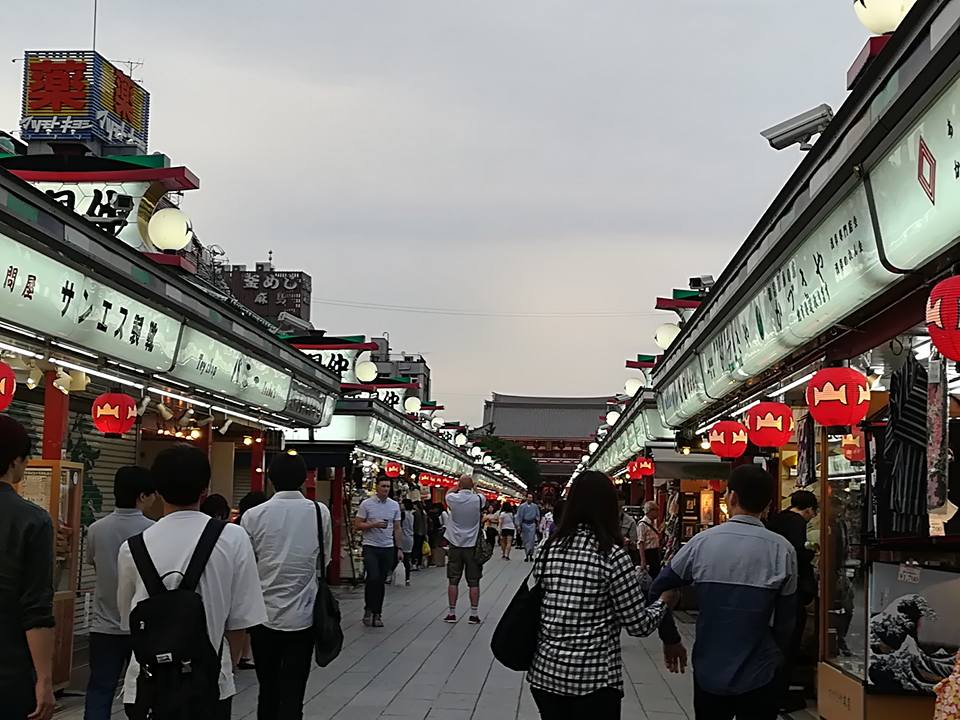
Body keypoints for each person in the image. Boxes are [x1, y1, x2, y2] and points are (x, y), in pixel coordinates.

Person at [117, 445, 267, 720]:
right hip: (209, 683)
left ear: (158, 491)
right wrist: (226, 669)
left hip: (146, 684)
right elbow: (241, 621)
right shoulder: (233, 538)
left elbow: (128, 618)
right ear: (204, 488)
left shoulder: (132, 548)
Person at [650, 464, 798, 720]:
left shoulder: (701, 543)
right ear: (769, 503)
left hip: (709, 666)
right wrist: (777, 657)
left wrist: (671, 638)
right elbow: (787, 620)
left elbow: (658, 587)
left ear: (731, 497)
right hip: (760, 670)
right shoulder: (782, 550)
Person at [528, 471, 678, 720]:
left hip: (546, 673)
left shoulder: (548, 548)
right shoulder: (611, 555)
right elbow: (637, 624)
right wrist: (663, 603)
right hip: (593, 679)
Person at [241, 454, 332, 720]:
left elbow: (248, 564)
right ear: (304, 479)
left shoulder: (253, 515)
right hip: (304, 614)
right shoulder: (319, 512)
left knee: (267, 686)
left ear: (270, 479)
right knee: (294, 688)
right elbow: (323, 561)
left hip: (262, 613)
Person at [84, 466, 156, 720]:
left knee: (100, 688)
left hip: (104, 625)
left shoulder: (95, 529)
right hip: (144, 626)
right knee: (145, 691)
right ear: (142, 496)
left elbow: (93, 561)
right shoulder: (154, 530)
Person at [0, 416, 55, 720]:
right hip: (8, 674)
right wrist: (45, 680)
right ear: (13, 461)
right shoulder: (31, 520)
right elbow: (36, 607)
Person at [767, 490, 818, 714]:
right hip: (792, 590)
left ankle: (772, 691)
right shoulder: (797, 523)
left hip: (772, 590)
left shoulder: (775, 519)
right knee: (789, 643)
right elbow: (797, 553)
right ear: (809, 509)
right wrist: (813, 553)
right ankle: (780, 695)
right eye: (812, 513)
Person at [354, 478, 403, 627]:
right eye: (383, 486)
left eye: (388, 486)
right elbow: (357, 525)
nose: (386, 489)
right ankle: (368, 608)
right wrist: (373, 524)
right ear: (377, 488)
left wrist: (399, 548)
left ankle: (377, 613)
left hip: (387, 547)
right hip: (371, 546)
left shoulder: (394, 506)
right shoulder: (366, 504)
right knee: (373, 578)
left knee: (380, 581)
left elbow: (397, 528)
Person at [443, 474, 484, 624]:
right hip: (472, 546)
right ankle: (474, 614)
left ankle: (452, 612)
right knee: (473, 581)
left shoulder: (452, 499)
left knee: (453, 580)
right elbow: (481, 494)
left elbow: (448, 493)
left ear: (459, 485)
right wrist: (474, 487)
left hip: (455, 544)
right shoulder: (478, 499)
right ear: (472, 486)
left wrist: (457, 486)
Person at [234, 491, 268, 670]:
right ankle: (245, 656)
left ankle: (240, 657)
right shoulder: (257, 523)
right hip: (253, 579)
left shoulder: (235, 526)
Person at [638, 501, 663, 577]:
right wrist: (643, 560)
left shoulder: (653, 523)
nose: (658, 513)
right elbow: (641, 543)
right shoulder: (642, 524)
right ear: (650, 511)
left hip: (655, 552)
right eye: (656, 511)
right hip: (648, 553)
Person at [516, 493, 541, 561]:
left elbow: (537, 516)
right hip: (524, 524)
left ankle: (531, 554)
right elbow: (519, 516)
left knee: (532, 540)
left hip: (532, 524)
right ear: (526, 498)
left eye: (531, 498)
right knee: (525, 540)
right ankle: (527, 554)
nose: (530, 499)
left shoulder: (535, 506)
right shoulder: (522, 506)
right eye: (529, 497)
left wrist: (538, 524)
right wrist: (519, 525)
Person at [618, 498, 641, 566]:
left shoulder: (630, 521)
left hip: (623, 557)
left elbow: (634, 545)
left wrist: (629, 542)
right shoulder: (603, 520)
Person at [400, 498, 416, 586]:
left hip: (403, 537)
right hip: (410, 538)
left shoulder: (403, 514)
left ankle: (401, 576)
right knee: (407, 558)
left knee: (401, 558)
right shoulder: (412, 514)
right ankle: (407, 578)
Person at [412, 500, 428, 570]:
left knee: (415, 548)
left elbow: (414, 524)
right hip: (423, 533)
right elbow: (426, 524)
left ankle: (414, 563)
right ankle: (419, 564)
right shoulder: (424, 513)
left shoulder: (415, 513)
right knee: (420, 549)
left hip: (416, 532)